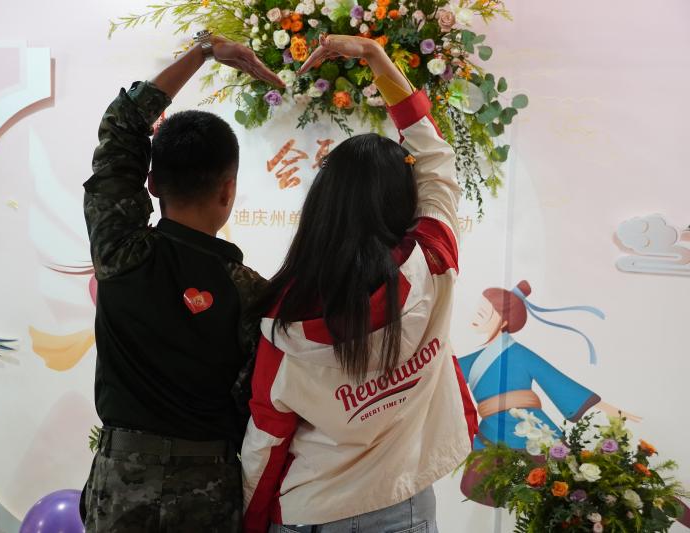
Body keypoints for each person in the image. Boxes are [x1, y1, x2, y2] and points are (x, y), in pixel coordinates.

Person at [240, 34, 478, 533]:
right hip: (403, 509)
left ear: (323, 204)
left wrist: (252, 520)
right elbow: (435, 157)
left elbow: (267, 436)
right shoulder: (433, 261)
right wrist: (375, 56)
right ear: (403, 203)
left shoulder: (286, 318)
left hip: (312, 510)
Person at [80, 33, 282, 532]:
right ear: (228, 190)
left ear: (152, 184)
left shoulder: (120, 251)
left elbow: (123, 125)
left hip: (121, 482)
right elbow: (259, 406)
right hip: (211, 486)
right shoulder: (252, 293)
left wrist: (204, 51)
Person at [457, 280, 640, 504]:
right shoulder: (474, 361)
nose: (476, 316)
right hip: (492, 429)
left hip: (531, 428)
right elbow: (446, 376)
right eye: (478, 310)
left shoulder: (521, 354)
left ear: (503, 321)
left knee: (563, 488)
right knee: (476, 487)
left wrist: (609, 409)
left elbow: (555, 380)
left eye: (484, 313)